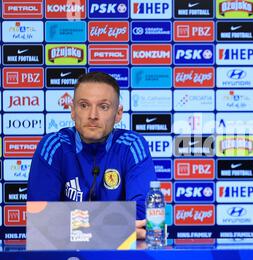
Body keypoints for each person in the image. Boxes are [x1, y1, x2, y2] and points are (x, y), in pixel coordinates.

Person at [27, 71, 156, 240]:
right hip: (61, 257)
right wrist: (119, 227)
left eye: (103, 107)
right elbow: (41, 222)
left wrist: (68, 223)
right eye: (84, 105)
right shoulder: (54, 146)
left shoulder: (132, 145)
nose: (93, 115)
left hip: (121, 258)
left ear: (118, 114)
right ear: (72, 110)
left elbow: (143, 217)